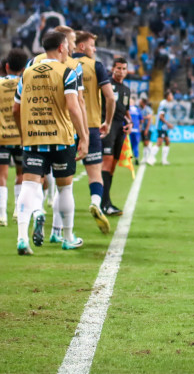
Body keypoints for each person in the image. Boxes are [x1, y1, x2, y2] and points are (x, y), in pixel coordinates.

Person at [13, 31, 88, 255]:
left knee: (29, 186)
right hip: (61, 139)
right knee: (65, 188)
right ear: (62, 47)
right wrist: (84, 136)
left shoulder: (27, 73)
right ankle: (67, 236)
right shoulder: (68, 72)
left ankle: (21, 238)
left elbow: (15, 109)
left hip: (34, 138)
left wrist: (22, 132)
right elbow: (74, 107)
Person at [73, 31, 115, 235]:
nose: (94, 49)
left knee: (61, 176)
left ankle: (52, 219)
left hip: (66, 127)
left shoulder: (62, 65)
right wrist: (106, 121)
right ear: (81, 47)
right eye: (91, 45)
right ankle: (96, 203)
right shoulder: (95, 66)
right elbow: (110, 97)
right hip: (90, 126)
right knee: (94, 173)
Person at [0, 49, 28, 226]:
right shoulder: (26, 84)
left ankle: (1, 215)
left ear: (6, 66)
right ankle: (17, 210)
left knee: (1, 175)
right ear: (23, 68)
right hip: (22, 137)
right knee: (22, 174)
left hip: (1, 137)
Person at [100, 57, 132, 216]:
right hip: (108, 125)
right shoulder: (106, 85)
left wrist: (130, 123)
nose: (121, 71)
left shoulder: (126, 89)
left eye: (124, 68)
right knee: (106, 163)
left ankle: (106, 201)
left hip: (120, 128)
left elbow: (125, 110)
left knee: (112, 166)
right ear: (113, 69)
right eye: (118, 68)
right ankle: (103, 203)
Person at [149, 91, 175, 166]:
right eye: (171, 95)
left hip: (164, 127)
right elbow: (160, 116)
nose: (172, 96)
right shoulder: (164, 104)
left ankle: (164, 160)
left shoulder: (166, 103)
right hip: (161, 126)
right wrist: (168, 124)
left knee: (167, 141)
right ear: (168, 96)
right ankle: (150, 158)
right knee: (159, 143)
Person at [138, 98, 154, 164]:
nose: (139, 103)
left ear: (143, 103)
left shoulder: (147, 109)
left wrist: (147, 129)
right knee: (144, 144)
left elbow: (149, 119)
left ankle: (152, 157)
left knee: (147, 143)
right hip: (143, 129)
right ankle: (145, 158)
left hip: (147, 128)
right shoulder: (141, 109)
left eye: (140, 102)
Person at [128, 97, 142, 165]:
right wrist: (140, 128)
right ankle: (136, 158)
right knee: (135, 145)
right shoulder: (137, 109)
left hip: (129, 130)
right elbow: (141, 119)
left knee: (129, 145)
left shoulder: (126, 109)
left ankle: (129, 159)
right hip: (136, 130)